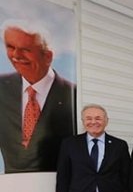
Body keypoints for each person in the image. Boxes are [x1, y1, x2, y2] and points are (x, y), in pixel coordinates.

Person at [0, 20, 76, 173]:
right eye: (11, 47)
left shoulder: (73, 96)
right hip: (10, 184)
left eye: (25, 49)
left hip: (54, 184)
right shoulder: (1, 87)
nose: (16, 55)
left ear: (47, 56)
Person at [55, 104, 130, 192]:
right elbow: (63, 178)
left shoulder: (119, 145)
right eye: (89, 118)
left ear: (106, 121)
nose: (93, 122)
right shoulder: (69, 144)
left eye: (98, 118)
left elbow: (125, 177)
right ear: (83, 121)